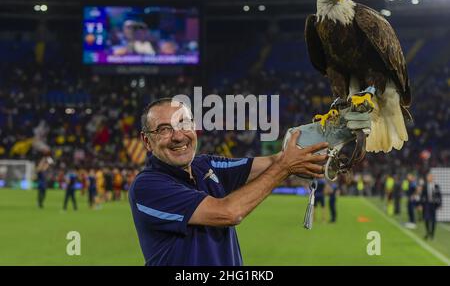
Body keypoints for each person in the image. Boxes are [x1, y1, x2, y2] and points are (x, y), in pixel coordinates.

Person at [129, 98, 371, 266]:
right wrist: (286, 166)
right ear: (147, 141)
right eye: (163, 129)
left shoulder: (206, 166)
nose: (178, 136)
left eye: (184, 124)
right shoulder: (148, 186)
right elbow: (228, 213)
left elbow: (275, 161)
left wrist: (328, 135)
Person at [420, 173, 442, 240]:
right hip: (427, 204)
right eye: (428, 177)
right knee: (426, 219)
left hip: (434, 205)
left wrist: (440, 204)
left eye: (431, 177)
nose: (429, 178)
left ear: (433, 178)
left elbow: (439, 195)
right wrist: (420, 204)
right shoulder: (425, 186)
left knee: (433, 220)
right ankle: (427, 232)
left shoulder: (436, 186)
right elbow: (422, 195)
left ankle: (432, 234)